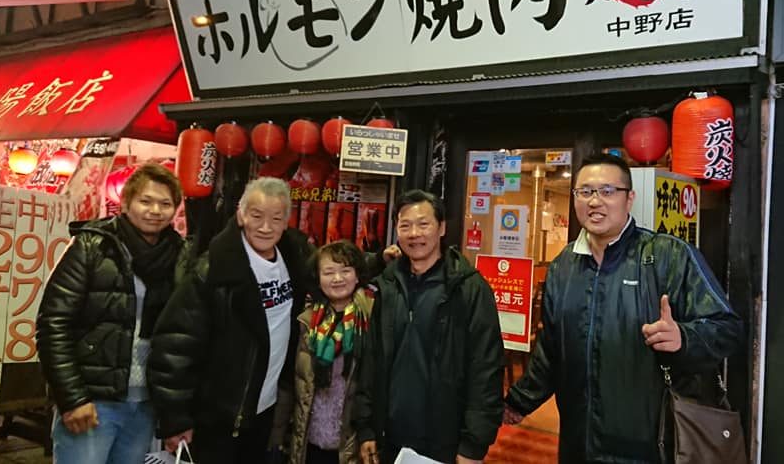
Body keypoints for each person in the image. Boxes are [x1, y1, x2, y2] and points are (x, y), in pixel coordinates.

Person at [503, 154, 744, 463]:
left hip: (650, 447)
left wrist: (684, 338)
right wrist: (519, 402)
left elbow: (728, 328)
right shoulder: (564, 266)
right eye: (585, 191)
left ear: (629, 199)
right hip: (579, 444)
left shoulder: (668, 256)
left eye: (607, 191)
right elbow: (551, 351)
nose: (595, 201)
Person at [148, 177, 314, 464]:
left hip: (263, 410)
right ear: (240, 215)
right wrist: (175, 419)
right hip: (216, 416)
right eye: (256, 216)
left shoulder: (293, 258)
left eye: (276, 218)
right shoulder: (213, 269)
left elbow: (335, 271)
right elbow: (174, 345)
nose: (266, 227)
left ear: (286, 222)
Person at [37, 162, 185, 464]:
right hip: (93, 402)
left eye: (165, 203)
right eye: (146, 201)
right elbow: (53, 324)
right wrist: (72, 398)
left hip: (145, 404)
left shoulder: (178, 255)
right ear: (126, 203)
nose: (155, 210)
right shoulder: (92, 246)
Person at [354, 190, 503, 464]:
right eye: (405, 225)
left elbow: (486, 368)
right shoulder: (388, 285)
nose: (414, 234)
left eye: (423, 224)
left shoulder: (468, 289)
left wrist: (473, 445)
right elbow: (371, 360)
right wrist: (366, 428)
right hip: (390, 437)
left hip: (444, 442)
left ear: (441, 227)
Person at [272, 240, 377, 464]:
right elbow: (290, 383)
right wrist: (277, 438)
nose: (337, 278)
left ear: (357, 275)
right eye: (329, 272)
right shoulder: (306, 322)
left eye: (345, 270)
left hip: (351, 446)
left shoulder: (371, 319)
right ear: (318, 279)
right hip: (308, 442)